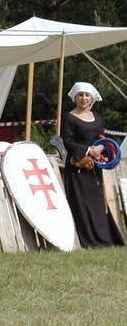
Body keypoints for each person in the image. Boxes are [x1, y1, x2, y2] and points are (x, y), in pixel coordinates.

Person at [60, 81, 124, 248]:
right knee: (82, 203)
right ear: (75, 97)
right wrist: (88, 150)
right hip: (77, 166)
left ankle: (104, 238)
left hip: (94, 166)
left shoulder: (97, 117)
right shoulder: (68, 117)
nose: (84, 98)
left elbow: (103, 138)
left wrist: (100, 149)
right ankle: (89, 240)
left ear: (91, 98)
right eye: (80, 95)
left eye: (87, 95)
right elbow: (67, 142)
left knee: (96, 202)